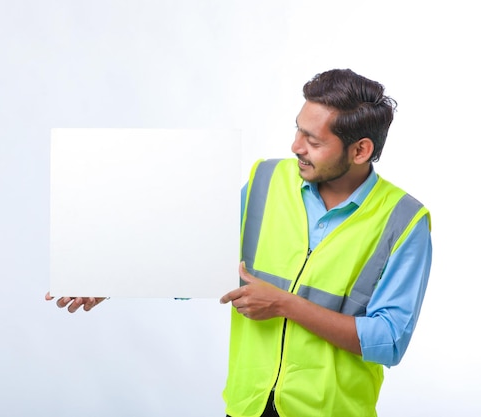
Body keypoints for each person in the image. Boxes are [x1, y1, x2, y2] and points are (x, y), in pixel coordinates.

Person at [46, 68, 432, 417]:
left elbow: (389, 341)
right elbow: (201, 260)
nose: (296, 146)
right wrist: (111, 280)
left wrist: (285, 305)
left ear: (361, 150)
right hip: (246, 405)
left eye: (312, 140)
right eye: (297, 129)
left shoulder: (404, 220)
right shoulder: (267, 178)